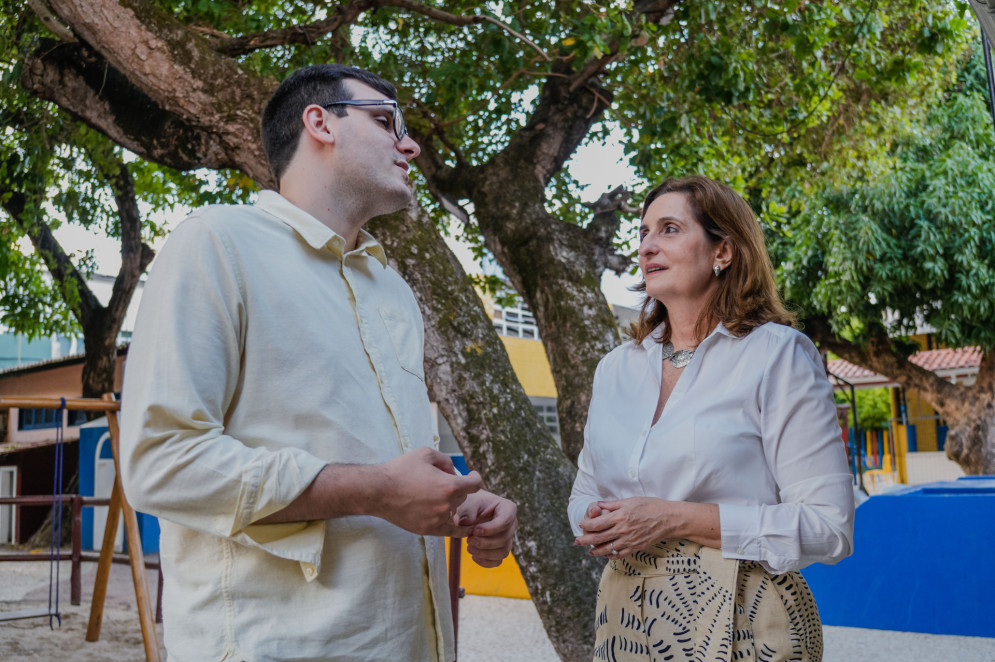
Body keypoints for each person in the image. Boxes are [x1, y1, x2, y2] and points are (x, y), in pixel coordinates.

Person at [119, 64, 517, 662]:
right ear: (320, 123)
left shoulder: (394, 292)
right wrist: (378, 491)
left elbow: (382, 468)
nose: (409, 145)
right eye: (386, 122)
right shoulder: (217, 242)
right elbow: (160, 462)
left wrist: (458, 508)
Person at [569, 175, 854, 662]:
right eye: (642, 233)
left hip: (746, 618)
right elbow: (585, 493)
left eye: (670, 229)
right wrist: (597, 521)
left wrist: (671, 518)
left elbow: (829, 527)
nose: (647, 246)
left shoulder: (777, 355)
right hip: (626, 618)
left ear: (723, 251)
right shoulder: (615, 368)